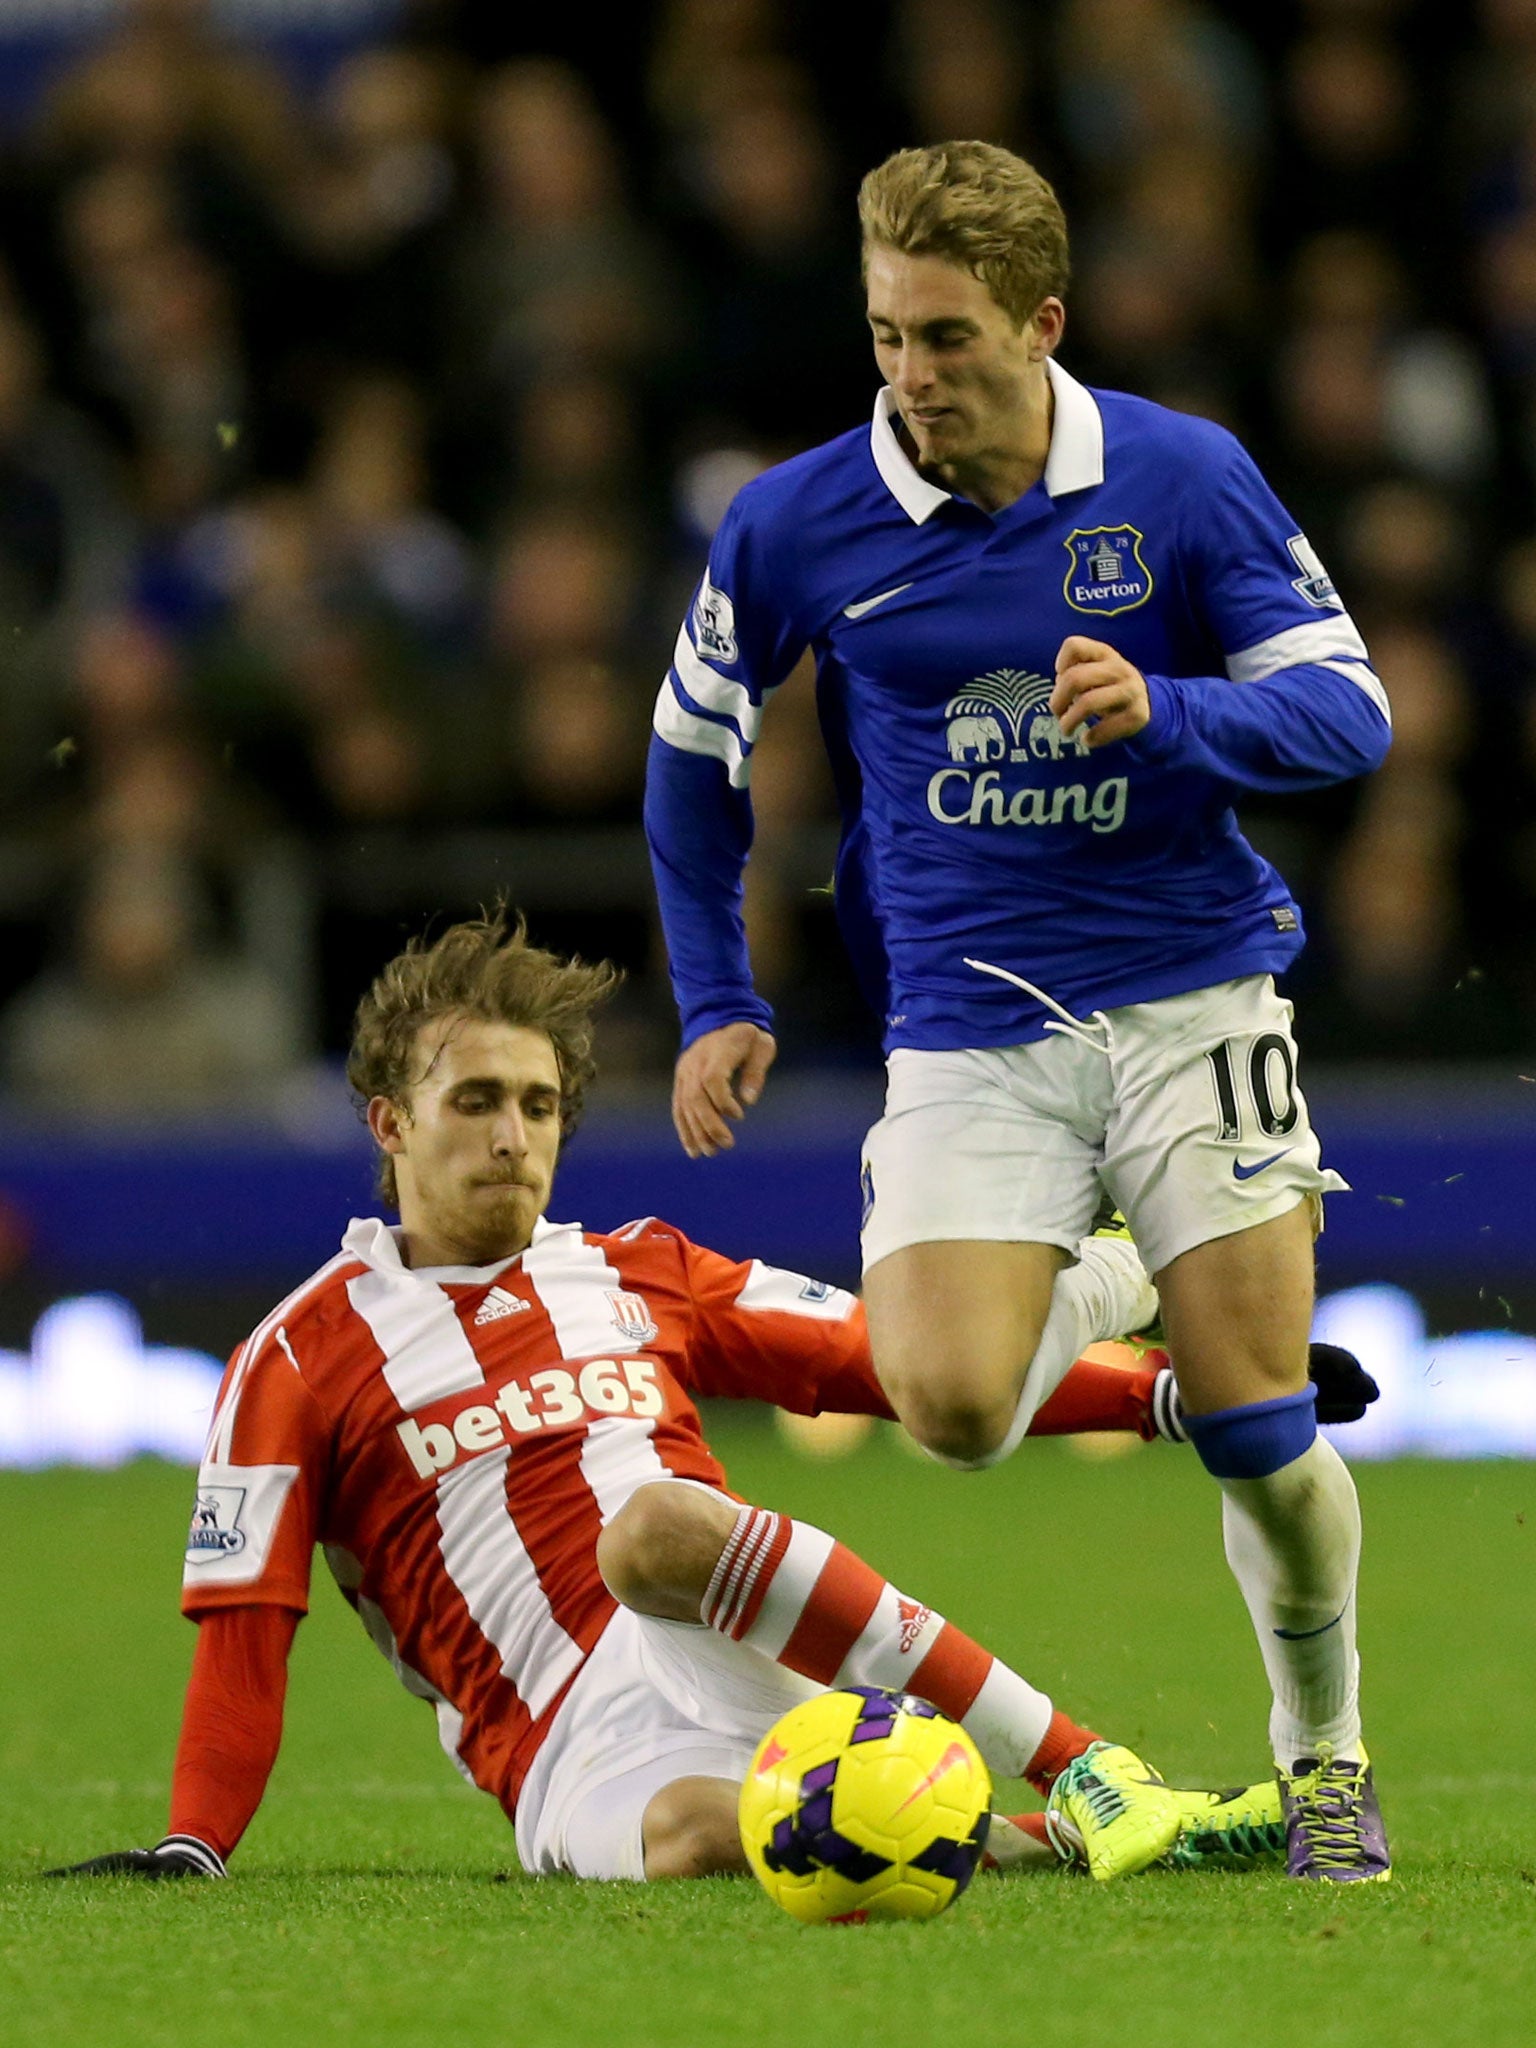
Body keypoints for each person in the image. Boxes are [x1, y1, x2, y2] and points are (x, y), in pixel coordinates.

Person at [644, 141, 1393, 1882]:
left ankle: (1328, 1754)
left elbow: (1350, 711)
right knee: (952, 1415)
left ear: (1044, 324)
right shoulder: (797, 518)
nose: (913, 377)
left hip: (1190, 989)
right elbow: (692, 760)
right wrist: (715, 996)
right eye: (888, 334)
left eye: (951, 338)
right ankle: (1132, 1273)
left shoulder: (1183, 480)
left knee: (1263, 1432)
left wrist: (1177, 713)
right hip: (972, 1026)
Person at [47, 913, 1373, 1889]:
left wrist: (1175, 1400)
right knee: (699, 1841)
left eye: (539, 1105)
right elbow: (244, 1637)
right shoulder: (296, 1357)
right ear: (389, 1121)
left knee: (655, 1529)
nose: (513, 1136)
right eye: (476, 1102)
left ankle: (1089, 1766)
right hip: (558, 1736)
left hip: (721, 1626)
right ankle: (1087, 1842)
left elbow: (887, 1362)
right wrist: (192, 1845)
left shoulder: (643, 1270)